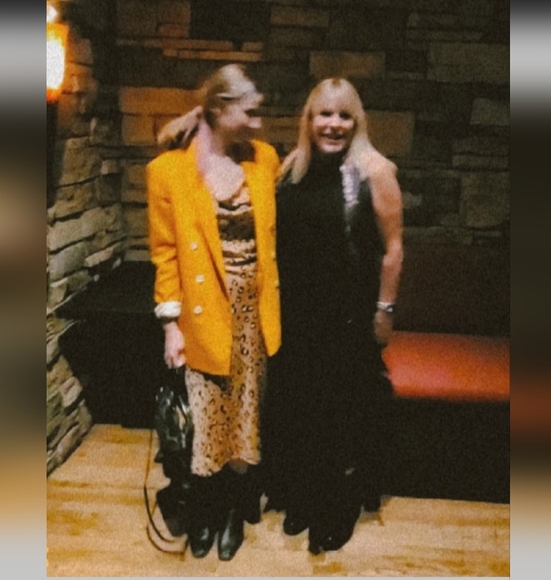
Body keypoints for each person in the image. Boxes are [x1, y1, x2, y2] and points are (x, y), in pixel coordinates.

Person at [261, 77, 403, 554]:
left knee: (340, 411)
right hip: (297, 311)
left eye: (344, 115)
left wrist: (384, 310)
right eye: (324, 114)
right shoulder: (292, 168)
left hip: (347, 315)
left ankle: (338, 504)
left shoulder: (374, 171)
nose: (333, 124)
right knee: (300, 405)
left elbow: (393, 249)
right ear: (309, 119)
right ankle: (303, 495)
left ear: (357, 122)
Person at [146, 64, 281, 561]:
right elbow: (165, 253)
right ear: (222, 110)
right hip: (203, 315)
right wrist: (171, 326)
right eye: (250, 112)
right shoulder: (168, 171)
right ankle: (205, 510)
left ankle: (232, 512)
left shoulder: (264, 160)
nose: (258, 123)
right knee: (207, 421)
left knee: (244, 418)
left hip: (254, 314)